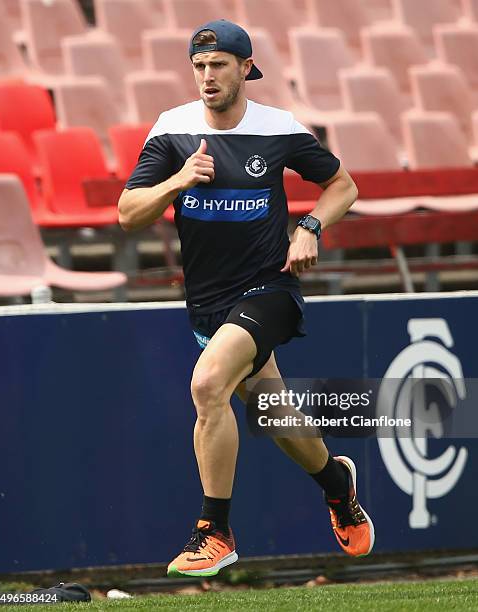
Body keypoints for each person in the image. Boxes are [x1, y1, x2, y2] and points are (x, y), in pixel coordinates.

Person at [118, 19, 374, 578]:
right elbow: (127, 213)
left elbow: (344, 187)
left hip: (269, 287)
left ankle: (215, 531)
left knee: (208, 383)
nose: (207, 77)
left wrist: (308, 227)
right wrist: (176, 182)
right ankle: (337, 483)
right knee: (273, 413)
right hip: (208, 302)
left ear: (245, 69)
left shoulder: (277, 128)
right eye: (199, 67)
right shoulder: (173, 130)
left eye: (219, 66)